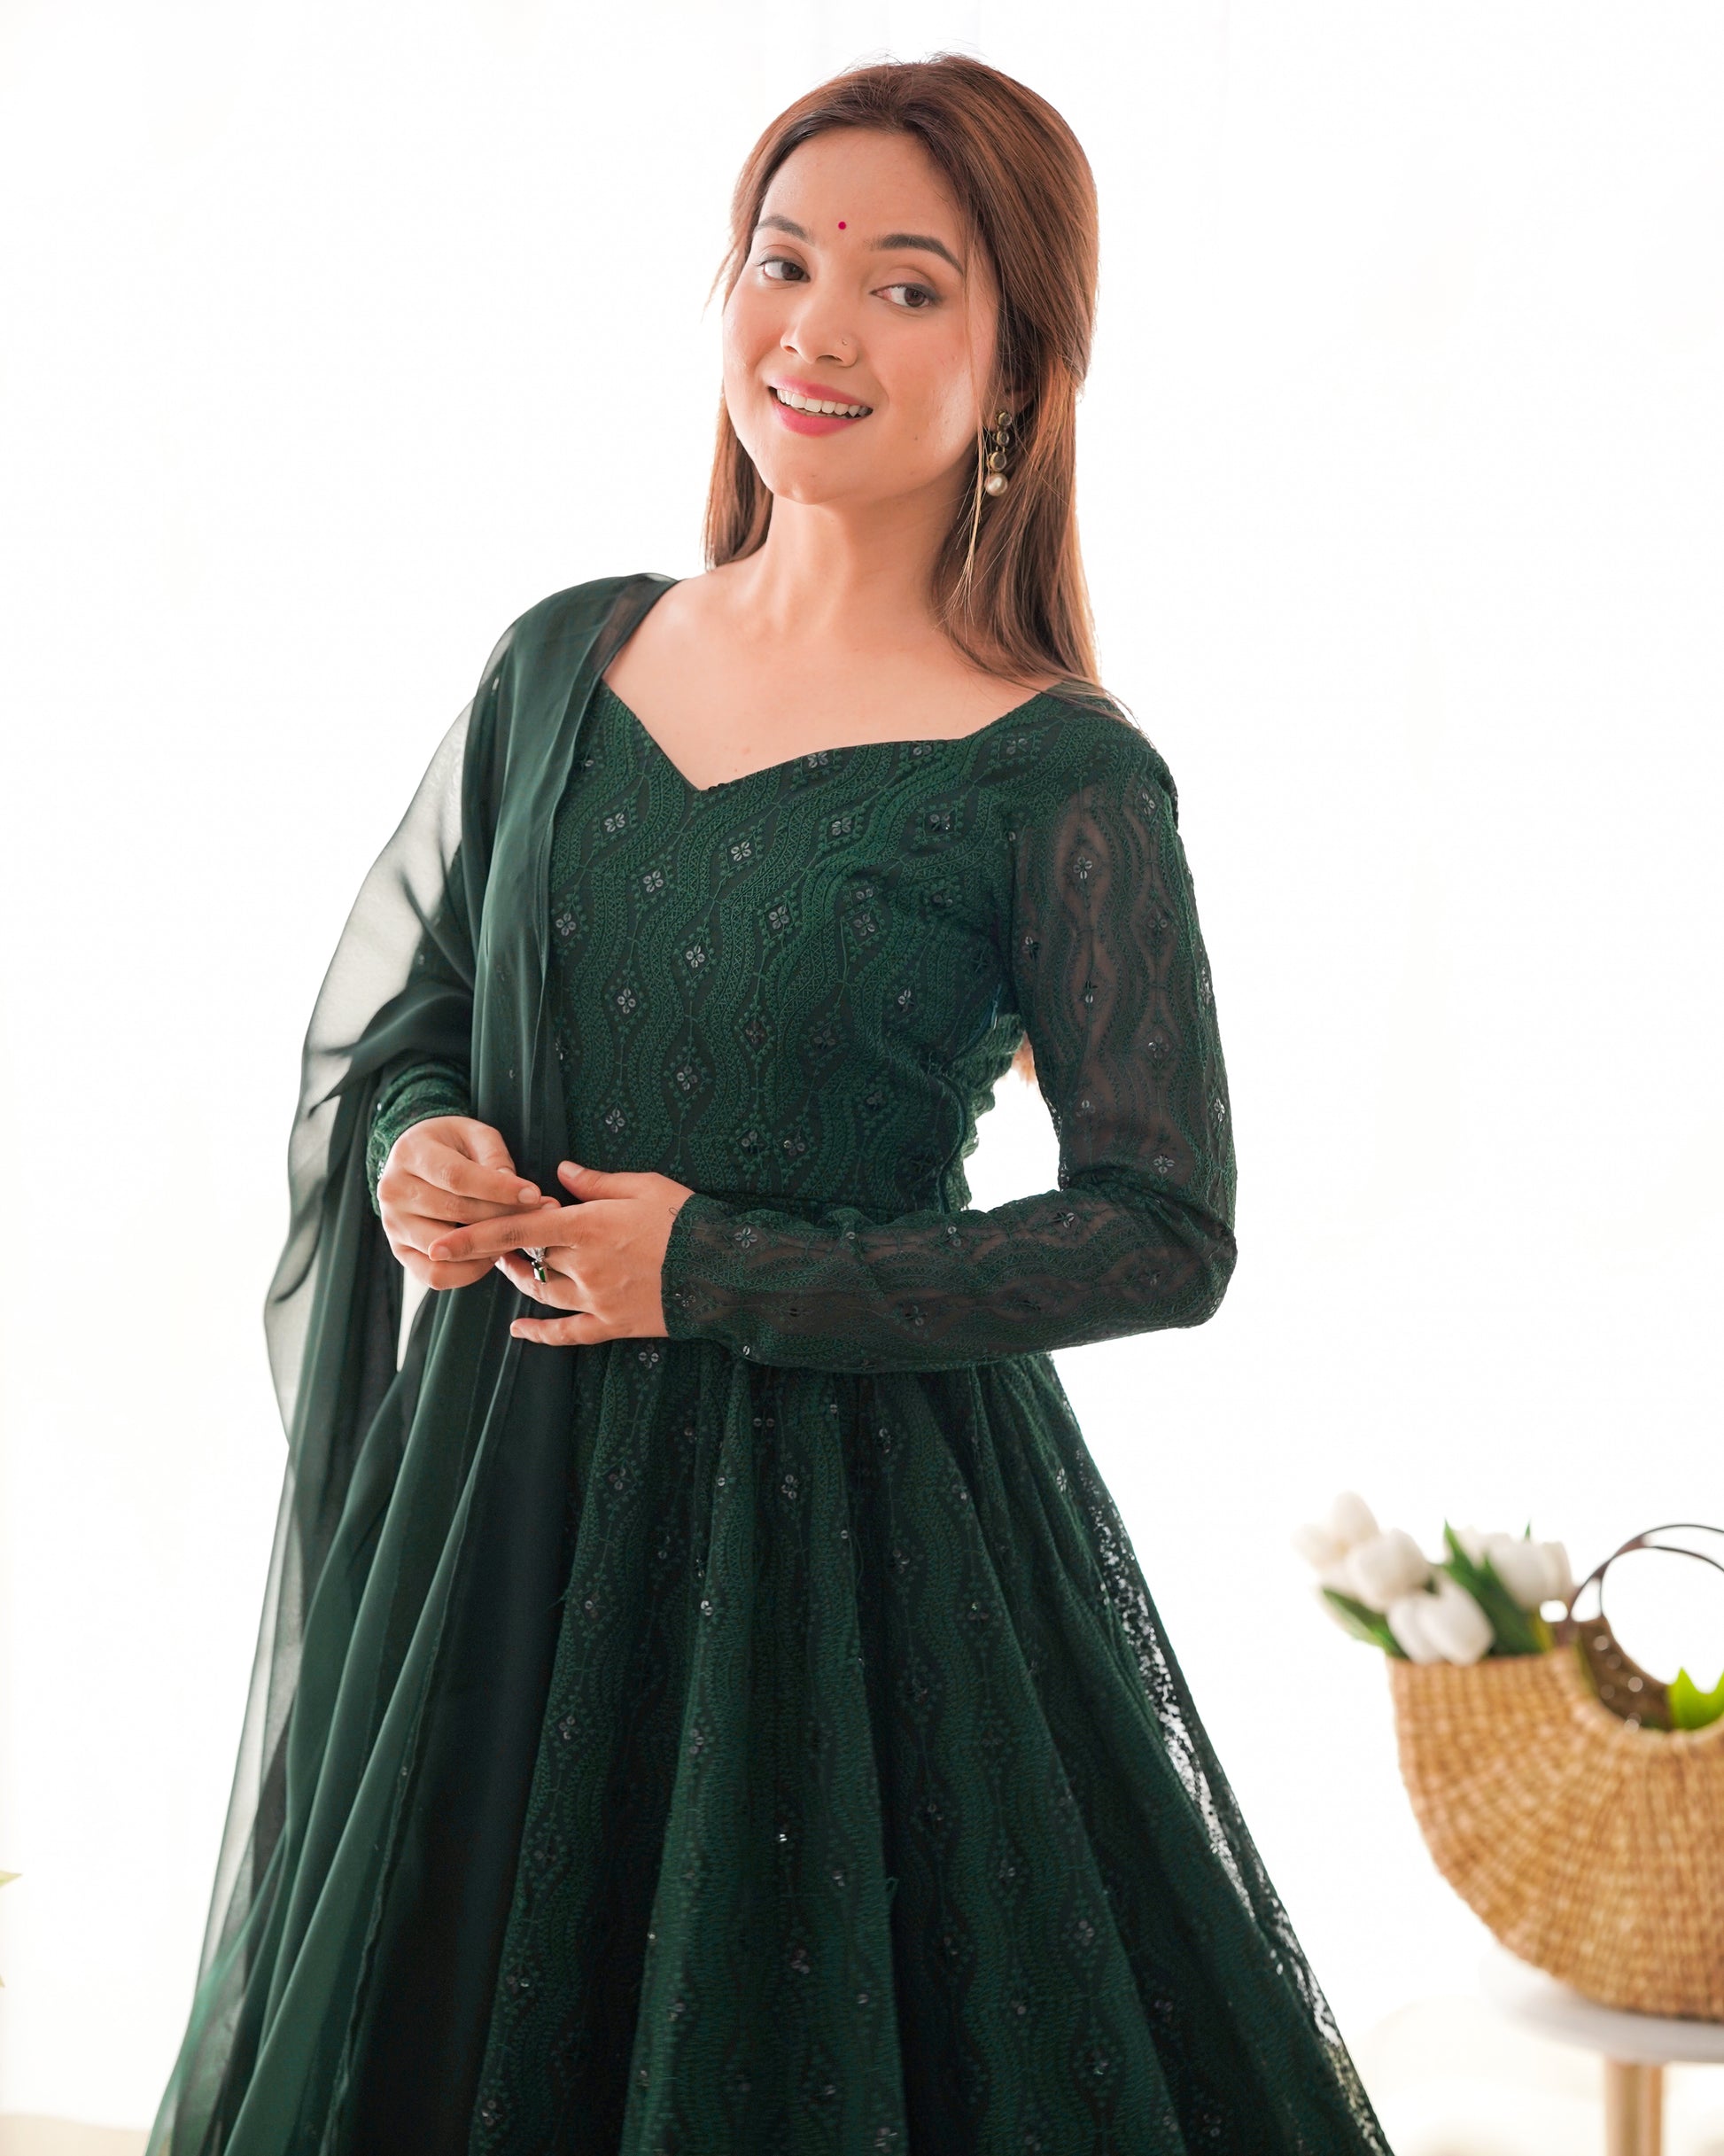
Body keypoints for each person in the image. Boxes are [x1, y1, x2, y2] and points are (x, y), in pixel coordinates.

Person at [149, 52, 1393, 2156]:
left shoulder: (1057, 773)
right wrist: (418, 1142)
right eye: (780, 259)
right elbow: (420, 1012)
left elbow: (1163, 1225)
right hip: (503, 1517)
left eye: (906, 286)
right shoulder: (563, 658)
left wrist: (714, 1267)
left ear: (1017, 376)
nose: (815, 328)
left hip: (844, 1563)